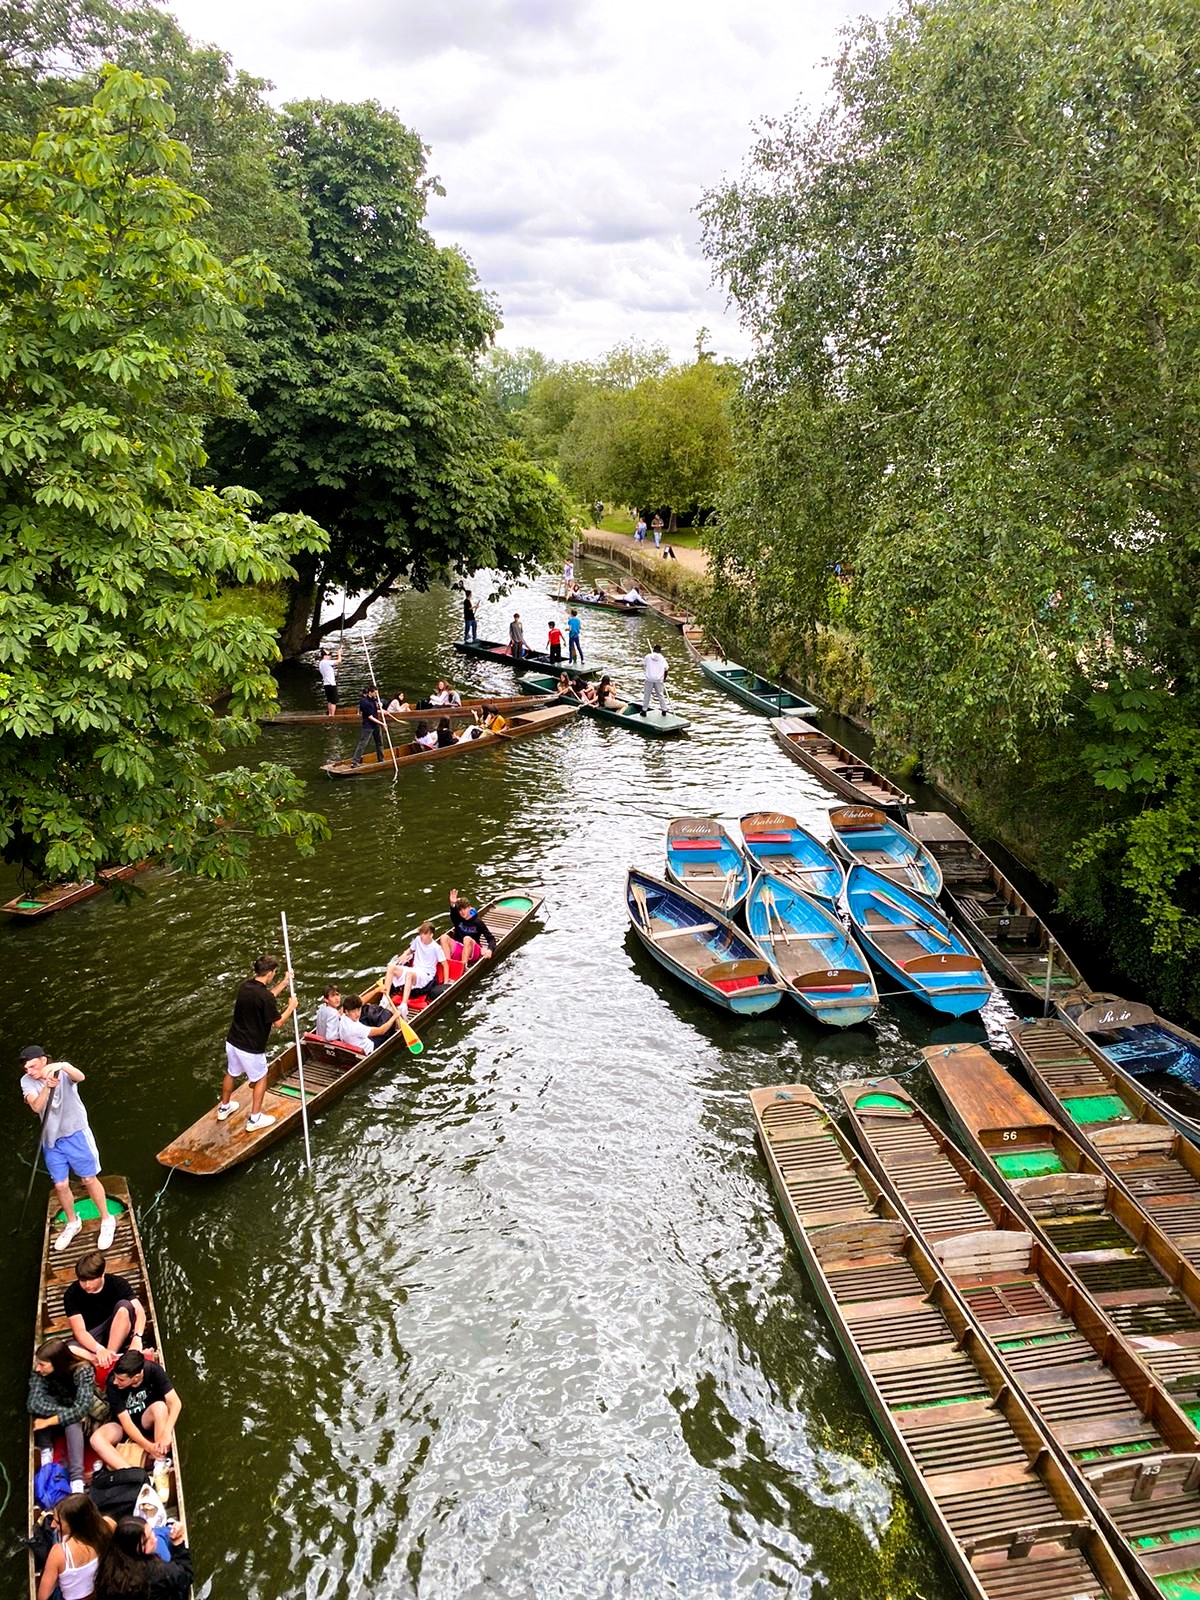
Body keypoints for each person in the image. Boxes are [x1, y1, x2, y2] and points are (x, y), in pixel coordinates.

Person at [20, 1047, 114, 1253]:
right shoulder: (26, 1081)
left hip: (76, 1134)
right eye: (26, 1067)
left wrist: (61, 1066)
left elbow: (81, 1077)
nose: (29, 1070)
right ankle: (73, 1222)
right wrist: (46, 1086)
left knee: (88, 1179)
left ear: (44, 1060)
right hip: (51, 1139)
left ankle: (107, 1219)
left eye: (33, 1066)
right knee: (61, 1185)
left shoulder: (63, 1071)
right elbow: (36, 1107)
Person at [217, 954, 297, 1129]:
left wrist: (284, 983)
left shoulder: (245, 987)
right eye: (274, 973)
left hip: (233, 1041)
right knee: (261, 1078)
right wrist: (291, 1006)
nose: (274, 975)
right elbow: (278, 1023)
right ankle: (255, 1119)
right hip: (251, 1047)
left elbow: (266, 998)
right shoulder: (264, 997)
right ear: (268, 973)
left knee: (231, 1072)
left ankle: (224, 1108)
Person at [91, 1350, 181, 1473]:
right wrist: (148, 1447)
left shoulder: (154, 1370)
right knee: (96, 1439)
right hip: (121, 1426)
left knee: (160, 1407)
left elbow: (175, 1402)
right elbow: (126, 1422)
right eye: (116, 1378)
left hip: (146, 1418)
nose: (116, 1382)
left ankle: (160, 1461)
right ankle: (131, 1473)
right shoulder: (113, 1384)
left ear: (136, 1377)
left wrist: (167, 1432)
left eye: (121, 1380)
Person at [28, 1340, 97, 1493]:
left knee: (73, 1422)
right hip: (66, 1411)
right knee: (48, 1408)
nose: (38, 1368)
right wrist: (66, 1412)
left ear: (56, 1362)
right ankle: (46, 1453)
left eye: (43, 1364)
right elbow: (33, 1403)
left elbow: (83, 1408)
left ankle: (76, 1481)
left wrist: (48, 1422)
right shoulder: (40, 1373)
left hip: (86, 1421)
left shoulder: (83, 1371)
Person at [65, 1250, 148, 1370]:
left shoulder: (118, 1283)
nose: (87, 1285)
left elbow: (139, 1311)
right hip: (92, 1337)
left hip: (118, 1328)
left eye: (92, 1279)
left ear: (102, 1273)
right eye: (83, 1280)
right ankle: (106, 1360)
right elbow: (80, 1331)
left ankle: (109, 1357)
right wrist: (99, 1349)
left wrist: (137, 1338)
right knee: (68, 1349)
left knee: (124, 1306)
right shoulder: (71, 1294)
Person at [95, 1515, 192, 1600]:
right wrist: (178, 1545)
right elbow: (186, 1576)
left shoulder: (107, 1567)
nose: (154, 1539)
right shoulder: (160, 1572)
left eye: (151, 1532)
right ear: (135, 1548)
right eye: (146, 1541)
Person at [37, 1492, 112, 1600]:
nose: (52, 1525)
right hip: (99, 1592)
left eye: (58, 1522)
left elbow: (42, 1597)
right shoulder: (108, 1525)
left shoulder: (58, 1553)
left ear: (74, 1524)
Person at [386, 923, 445, 1017]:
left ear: (431, 935)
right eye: (421, 933)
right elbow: (410, 949)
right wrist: (404, 955)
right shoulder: (418, 940)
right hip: (415, 970)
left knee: (409, 974)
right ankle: (385, 999)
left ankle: (404, 1006)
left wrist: (445, 984)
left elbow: (445, 965)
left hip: (426, 975)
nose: (422, 936)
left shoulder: (436, 948)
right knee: (391, 967)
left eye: (425, 934)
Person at [445, 888, 496, 962]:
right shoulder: (458, 918)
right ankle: (447, 963)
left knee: (467, 938)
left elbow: (491, 939)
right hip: (460, 949)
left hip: (473, 951)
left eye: (464, 909)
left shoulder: (478, 922)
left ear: (469, 908)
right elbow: (453, 913)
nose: (462, 912)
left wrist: (490, 950)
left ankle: (463, 967)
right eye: (460, 910)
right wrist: (453, 904)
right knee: (444, 937)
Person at [349, 684, 385, 768]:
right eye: (375, 693)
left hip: (376, 725)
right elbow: (370, 717)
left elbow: (375, 710)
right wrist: (382, 723)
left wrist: (379, 706)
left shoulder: (374, 700)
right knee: (363, 744)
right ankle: (355, 762)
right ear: (370, 692)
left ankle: (381, 760)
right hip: (368, 726)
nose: (376, 695)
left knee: (379, 743)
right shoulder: (364, 702)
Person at [640, 642, 671, 717]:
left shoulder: (647, 657)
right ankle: (664, 710)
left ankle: (644, 711)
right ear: (660, 651)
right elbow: (666, 669)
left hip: (649, 678)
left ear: (653, 649)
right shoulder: (662, 659)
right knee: (660, 694)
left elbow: (645, 665)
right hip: (658, 679)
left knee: (647, 694)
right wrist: (664, 679)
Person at [316, 646, 343, 717]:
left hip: (326, 684)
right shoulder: (326, 662)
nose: (330, 656)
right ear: (325, 656)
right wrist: (339, 653)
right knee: (333, 701)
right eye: (329, 655)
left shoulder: (321, 663)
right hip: (331, 684)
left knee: (329, 700)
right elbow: (339, 661)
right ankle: (332, 716)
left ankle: (330, 714)